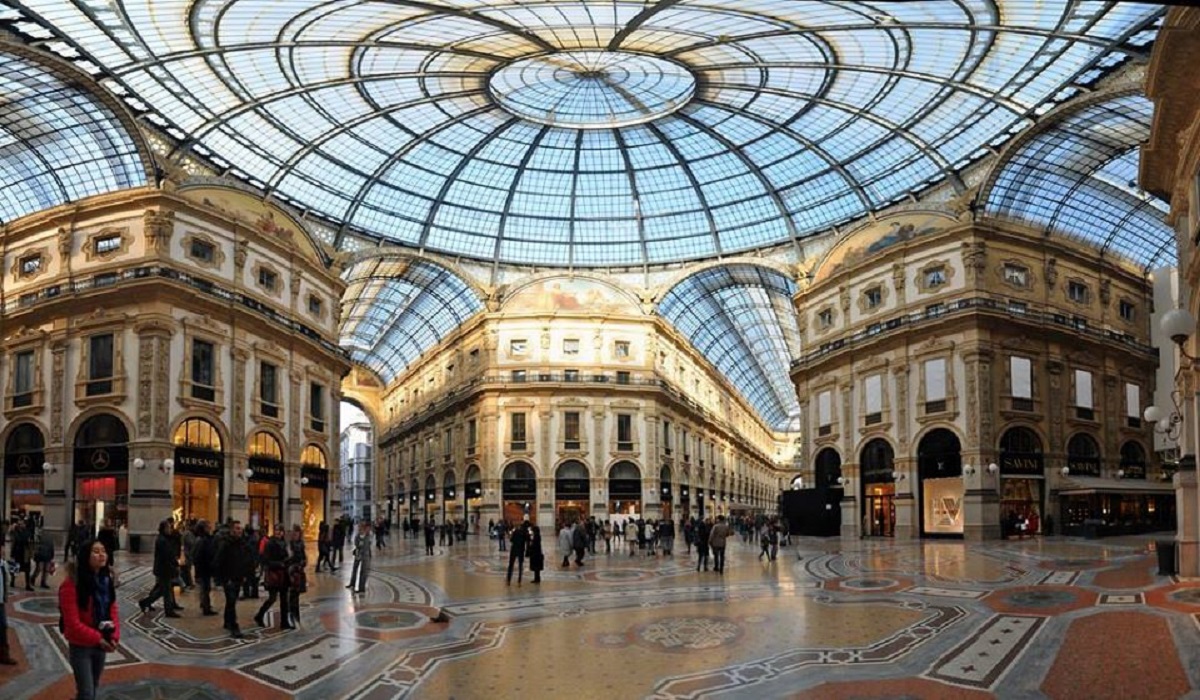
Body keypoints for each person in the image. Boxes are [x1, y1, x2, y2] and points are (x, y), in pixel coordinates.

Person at [59, 540, 119, 700]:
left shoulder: (105, 581)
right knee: (87, 692)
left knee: (93, 687)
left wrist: (114, 636)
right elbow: (72, 624)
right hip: (81, 645)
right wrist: (98, 639)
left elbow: (112, 609)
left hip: (101, 642)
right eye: (96, 551)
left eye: (103, 551)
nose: (102, 555)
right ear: (86, 556)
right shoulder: (71, 584)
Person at [214, 520, 253, 638]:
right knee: (231, 601)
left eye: (240, 528)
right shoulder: (226, 544)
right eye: (237, 528)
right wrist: (222, 579)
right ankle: (234, 626)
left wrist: (246, 574)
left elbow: (245, 559)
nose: (239, 530)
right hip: (228, 578)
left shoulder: (242, 543)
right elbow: (218, 561)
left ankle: (227, 621)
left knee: (232, 601)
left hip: (238, 577)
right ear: (231, 530)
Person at [138, 519, 181, 617]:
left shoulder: (164, 539)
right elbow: (167, 555)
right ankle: (168, 611)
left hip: (164, 569)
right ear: (164, 528)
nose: (170, 529)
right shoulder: (162, 540)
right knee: (166, 591)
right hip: (164, 569)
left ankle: (145, 602)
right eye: (169, 528)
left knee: (163, 590)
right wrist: (175, 564)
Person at [255, 525, 293, 630]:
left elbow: (286, 556)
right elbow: (266, 560)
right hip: (274, 574)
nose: (278, 532)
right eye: (276, 530)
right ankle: (259, 615)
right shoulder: (270, 543)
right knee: (272, 598)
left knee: (284, 599)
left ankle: (284, 622)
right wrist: (279, 564)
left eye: (280, 530)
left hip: (284, 574)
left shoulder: (284, 543)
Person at [191, 520, 218, 617]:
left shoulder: (204, 539)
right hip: (203, 568)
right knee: (205, 588)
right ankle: (206, 607)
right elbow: (198, 556)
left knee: (206, 588)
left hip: (204, 568)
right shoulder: (201, 540)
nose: (210, 528)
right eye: (208, 526)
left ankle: (205, 604)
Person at [286, 525, 307, 627]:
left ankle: (296, 615)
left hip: (299, 572)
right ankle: (291, 614)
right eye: (293, 533)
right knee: (291, 595)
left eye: (296, 533)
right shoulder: (289, 545)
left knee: (296, 595)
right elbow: (287, 559)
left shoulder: (301, 545)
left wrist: (302, 563)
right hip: (291, 572)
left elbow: (304, 558)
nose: (294, 535)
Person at [0, 536, 17, 665]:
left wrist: (5, 597)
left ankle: (3, 654)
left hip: (0, 602)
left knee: (2, 626)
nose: (3, 551)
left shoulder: (3, 564)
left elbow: (6, 582)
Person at [349, 521, 372, 594]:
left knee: (363, 572)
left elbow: (367, 545)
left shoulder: (369, 535)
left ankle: (361, 588)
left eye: (361, 527)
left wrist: (361, 545)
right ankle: (352, 583)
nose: (360, 529)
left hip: (365, 555)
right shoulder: (358, 535)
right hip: (358, 554)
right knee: (354, 569)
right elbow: (356, 542)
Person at [506, 520, 529, 585]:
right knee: (520, 566)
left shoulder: (515, 531)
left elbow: (511, 540)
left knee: (511, 565)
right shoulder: (525, 533)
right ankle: (519, 581)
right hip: (521, 550)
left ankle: (508, 580)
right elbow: (527, 542)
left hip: (514, 549)